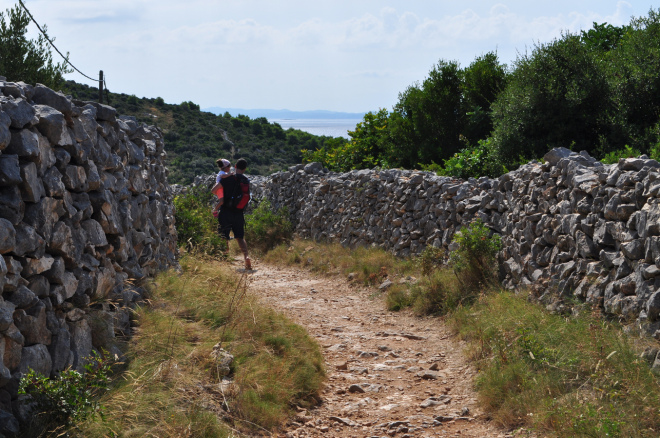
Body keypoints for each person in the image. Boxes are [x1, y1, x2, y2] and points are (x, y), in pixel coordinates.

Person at [217, 158, 252, 270]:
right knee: (240, 237)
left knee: (223, 236)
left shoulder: (228, 178)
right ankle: (246, 257)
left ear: (235, 166)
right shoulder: (246, 180)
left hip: (226, 211)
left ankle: (225, 258)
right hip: (239, 212)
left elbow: (214, 189)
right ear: (245, 169)